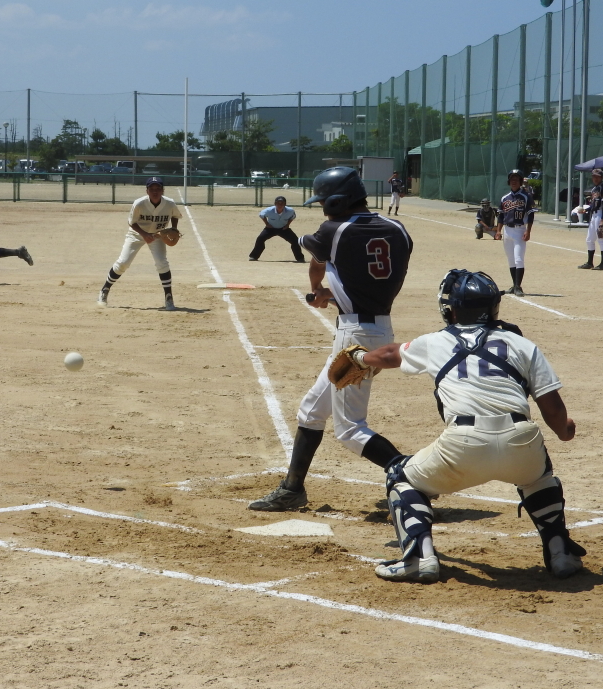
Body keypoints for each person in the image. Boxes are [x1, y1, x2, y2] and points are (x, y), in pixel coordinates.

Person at [351, 269, 585, 583]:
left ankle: (419, 559)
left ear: (452, 309)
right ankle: (560, 553)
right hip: (521, 440)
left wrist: (360, 358)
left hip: (463, 444)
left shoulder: (435, 342)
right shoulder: (521, 343)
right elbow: (553, 410)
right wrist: (565, 431)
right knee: (540, 478)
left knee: (401, 477)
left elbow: (391, 354)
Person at [248, 166, 414, 511]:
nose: (323, 207)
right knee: (311, 410)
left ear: (339, 200)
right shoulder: (397, 229)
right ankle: (292, 488)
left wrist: (318, 290)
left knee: (350, 428)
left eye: (324, 201)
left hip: (354, 339)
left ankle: (416, 477)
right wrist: (335, 295)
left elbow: (316, 257)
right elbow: (369, 281)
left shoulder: (333, 230)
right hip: (377, 327)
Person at [98, 176, 182, 310]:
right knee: (123, 262)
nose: (155, 191)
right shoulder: (139, 203)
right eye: (152, 189)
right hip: (136, 234)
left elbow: (175, 215)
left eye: (158, 188)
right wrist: (144, 234)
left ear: (163, 190)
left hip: (157, 235)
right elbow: (131, 222)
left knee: (162, 263)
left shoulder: (169, 203)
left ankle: (169, 297)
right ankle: (105, 289)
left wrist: (174, 229)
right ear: (147, 191)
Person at [494, 169, 535, 297]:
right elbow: (501, 216)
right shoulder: (505, 198)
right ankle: (514, 285)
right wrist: (498, 231)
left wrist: (528, 231)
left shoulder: (526, 196)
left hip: (520, 230)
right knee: (511, 259)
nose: (514, 181)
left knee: (518, 259)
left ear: (521, 181)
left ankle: (518, 286)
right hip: (507, 230)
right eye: (512, 179)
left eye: (517, 179)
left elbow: (531, 215)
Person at [248, 196, 305, 262]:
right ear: (275, 204)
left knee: (295, 241)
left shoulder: (290, 211)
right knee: (260, 239)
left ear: (285, 204)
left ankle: (300, 258)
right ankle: (254, 256)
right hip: (271, 228)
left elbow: (293, 217)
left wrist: (287, 225)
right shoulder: (269, 210)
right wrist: (267, 224)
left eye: (282, 203)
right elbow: (261, 215)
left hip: (283, 229)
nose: (280, 205)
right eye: (278, 203)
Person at [578, 168, 603, 270]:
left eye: (597, 177)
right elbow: (593, 205)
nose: (595, 178)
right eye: (594, 176)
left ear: (602, 177)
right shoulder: (594, 189)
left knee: (601, 239)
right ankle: (590, 263)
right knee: (589, 239)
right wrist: (586, 210)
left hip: (601, 215)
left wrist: (602, 219)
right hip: (594, 215)